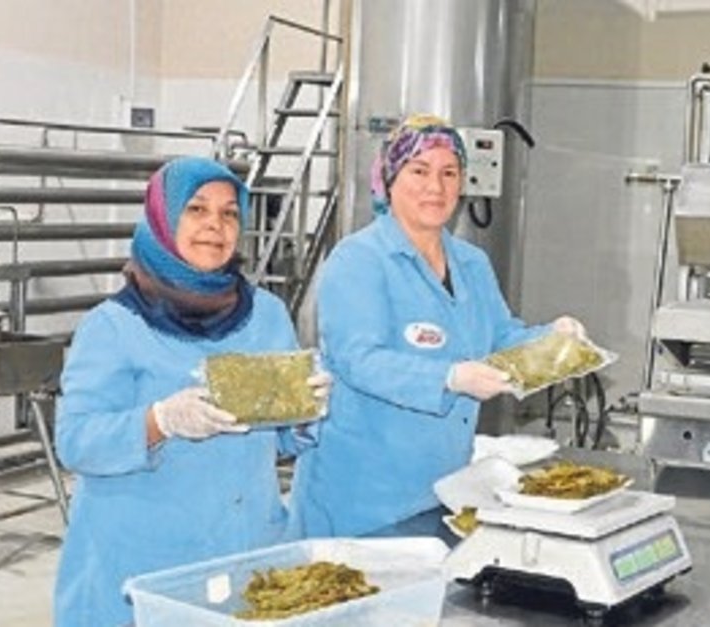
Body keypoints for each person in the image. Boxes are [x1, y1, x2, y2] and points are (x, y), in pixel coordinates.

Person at [53, 157, 331, 627]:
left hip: (244, 554)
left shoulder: (266, 314)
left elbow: (278, 438)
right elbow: (76, 441)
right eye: (197, 209)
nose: (215, 226)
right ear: (162, 220)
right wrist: (160, 421)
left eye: (229, 213)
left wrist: (305, 414)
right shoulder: (113, 325)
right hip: (140, 568)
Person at [289, 114, 586, 537]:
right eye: (419, 171)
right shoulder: (358, 259)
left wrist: (551, 340)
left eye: (449, 173)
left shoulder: (472, 263)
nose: (436, 186)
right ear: (389, 179)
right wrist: (449, 378)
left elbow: (500, 338)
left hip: (442, 485)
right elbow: (358, 359)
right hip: (361, 493)